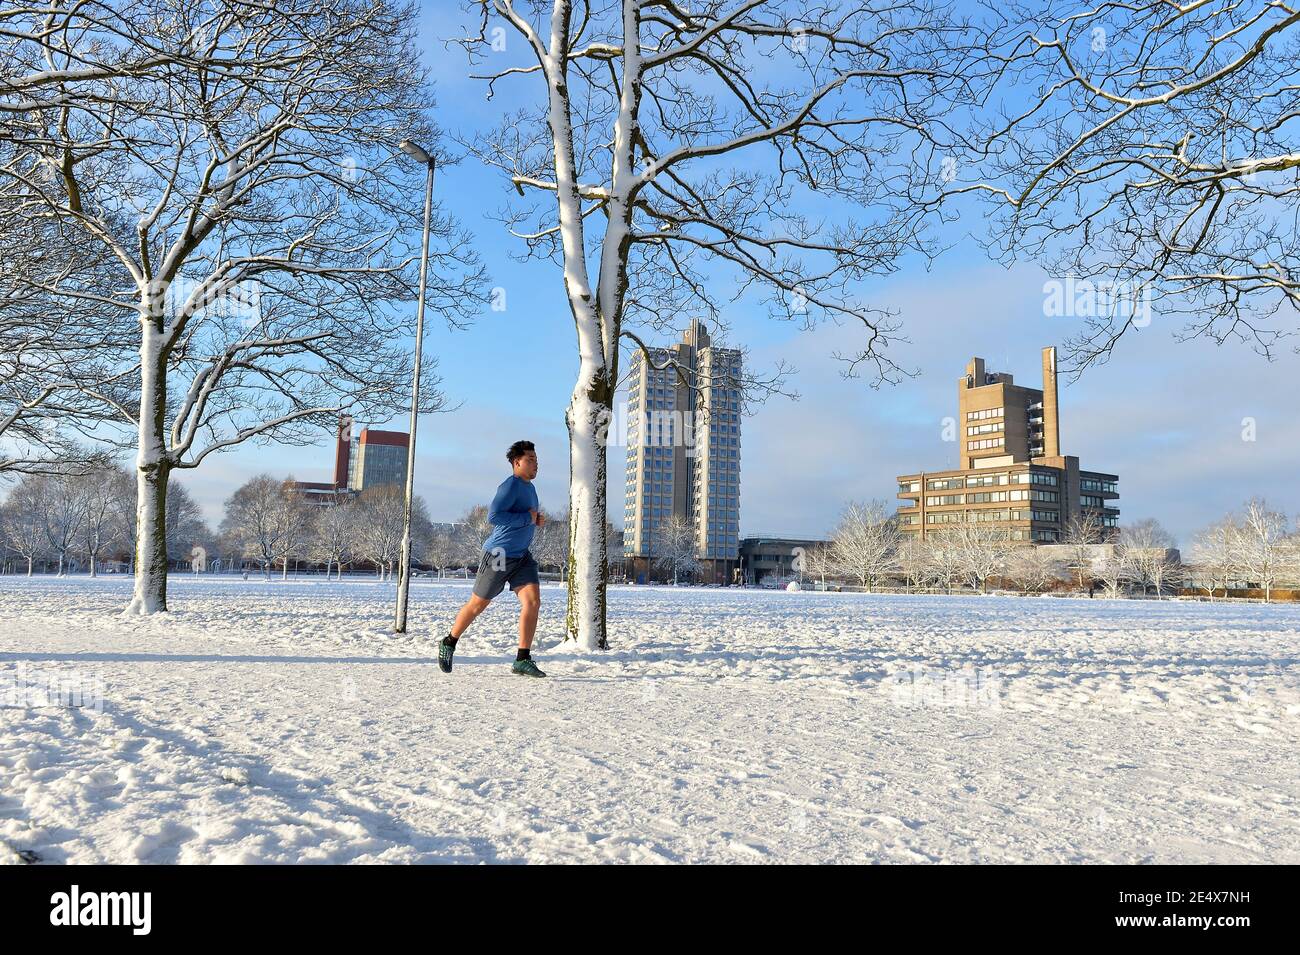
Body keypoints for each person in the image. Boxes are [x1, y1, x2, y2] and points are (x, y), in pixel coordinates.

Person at [440, 440, 546, 677]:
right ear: (516, 463)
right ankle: (449, 642)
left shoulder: (531, 488)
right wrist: (526, 519)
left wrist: (535, 520)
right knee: (478, 604)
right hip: (499, 555)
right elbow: (495, 516)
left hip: (521, 557)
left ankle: (522, 658)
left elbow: (523, 516)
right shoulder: (510, 486)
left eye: (536, 461)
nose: (535, 465)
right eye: (530, 460)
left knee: (532, 602)